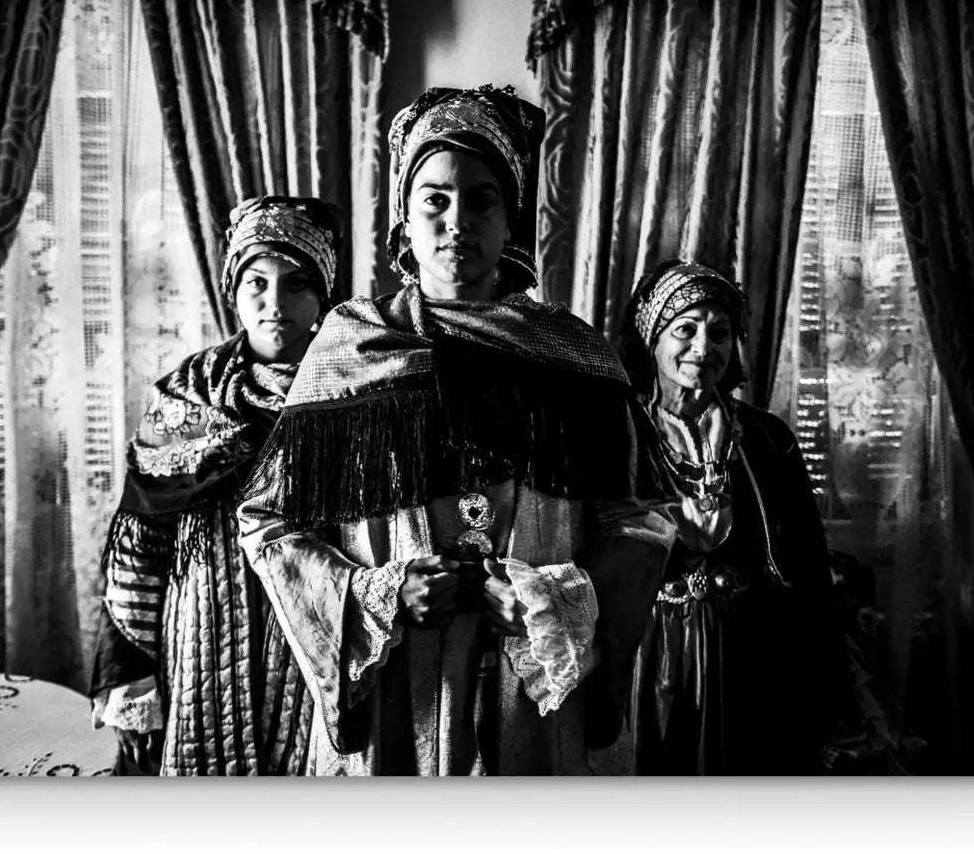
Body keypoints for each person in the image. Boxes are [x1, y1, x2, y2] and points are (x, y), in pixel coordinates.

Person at [238, 85, 677, 776]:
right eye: (434, 199)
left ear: (512, 221)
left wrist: (560, 598)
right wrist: (374, 595)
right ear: (404, 222)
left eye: (481, 199)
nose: (456, 222)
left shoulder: (577, 357)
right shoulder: (350, 349)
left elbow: (640, 520)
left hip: (532, 697)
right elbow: (269, 525)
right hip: (397, 692)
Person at [87, 196, 342, 775]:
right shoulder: (186, 397)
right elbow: (139, 545)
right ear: (234, 291)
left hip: (314, 636)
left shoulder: (353, 396)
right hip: (200, 638)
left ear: (322, 294)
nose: (275, 303)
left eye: (296, 283)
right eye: (257, 282)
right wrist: (131, 677)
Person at [618, 260, 849, 774]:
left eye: (720, 332)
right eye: (685, 329)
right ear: (653, 339)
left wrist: (822, 678)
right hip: (647, 657)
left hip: (752, 655)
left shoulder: (769, 440)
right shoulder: (618, 436)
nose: (704, 347)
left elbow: (809, 568)